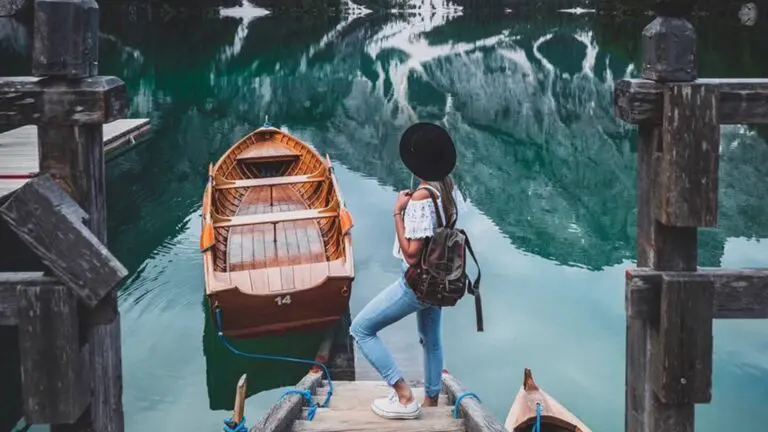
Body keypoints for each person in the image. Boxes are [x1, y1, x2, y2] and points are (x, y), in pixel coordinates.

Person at [349, 122, 464, 420]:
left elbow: (412, 255)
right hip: (438, 281)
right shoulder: (446, 188)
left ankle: (403, 395)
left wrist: (398, 211)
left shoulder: (421, 198)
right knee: (431, 340)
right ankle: (431, 401)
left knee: (361, 329)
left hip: (417, 285)